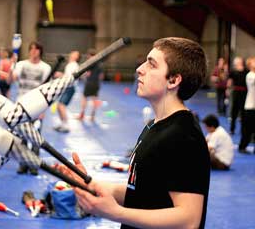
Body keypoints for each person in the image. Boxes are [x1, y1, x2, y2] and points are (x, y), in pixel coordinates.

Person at [58, 37, 210, 229]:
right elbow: (142, 192)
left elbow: (189, 219)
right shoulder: (155, 126)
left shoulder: (185, 136)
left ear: (173, 80)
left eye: (152, 64)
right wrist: (91, 184)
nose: (140, 68)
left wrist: (115, 212)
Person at [11, 41, 51, 175]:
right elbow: (12, 79)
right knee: (22, 138)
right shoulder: (21, 64)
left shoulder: (45, 68)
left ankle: (34, 165)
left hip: (37, 107)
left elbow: (48, 90)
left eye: (36, 49)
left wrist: (44, 110)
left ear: (40, 51)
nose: (33, 51)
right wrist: (12, 66)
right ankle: (23, 164)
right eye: (31, 49)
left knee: (35, 138)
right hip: (22, 106)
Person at [54, 51, 80, 133]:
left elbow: (70, 77)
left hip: (70, 87)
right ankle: (63, 124)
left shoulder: (74, 65)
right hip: (66, 87)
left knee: (61, 106)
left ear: (77, 57)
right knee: (59, 106)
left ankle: (66, 126)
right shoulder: (70, 64)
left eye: (75, 53)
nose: (72, 53)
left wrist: (60, 75)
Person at [77, 49, 104, 122]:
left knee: (84, 98)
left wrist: (83, 76)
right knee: (95, 99)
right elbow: (101, 76)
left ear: (90, 55)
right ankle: (93, 116)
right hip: (96, 84)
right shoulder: (100, 63)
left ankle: (82, 115)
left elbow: (87, 74)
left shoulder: (90, 63)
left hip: (89, 83)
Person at [227, 56, 248, 134]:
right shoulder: (233, 71)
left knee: (243, 112)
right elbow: (230, 82)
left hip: (244, 93)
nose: (234, 63)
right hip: (235, 93)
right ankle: (232, 129)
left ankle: (243, 130)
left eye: (236, 61)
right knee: (234, 112)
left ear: (240, 62)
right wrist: (228, 89)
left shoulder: (246, 71)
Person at [238, 56, 255, 154]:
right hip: (250, 106)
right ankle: (242, 146)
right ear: (249, 65)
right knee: (247, 129)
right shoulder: (250, 75)